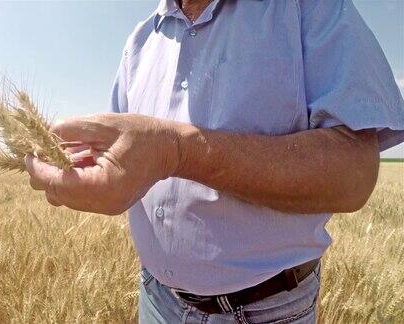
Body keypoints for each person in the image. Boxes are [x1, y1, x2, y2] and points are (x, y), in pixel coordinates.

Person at [25, 0, 404, 323]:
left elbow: (353, 174)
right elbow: (121, 155)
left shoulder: (306, 7)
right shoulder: (139, 41)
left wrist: (175, 151)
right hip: (156, 299)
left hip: (268, 310)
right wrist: (82, 171)